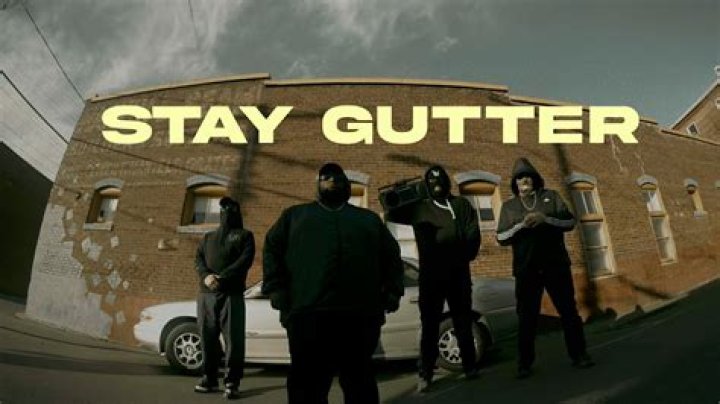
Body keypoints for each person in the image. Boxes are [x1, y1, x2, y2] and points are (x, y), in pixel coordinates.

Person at [262, 162, 404, 404]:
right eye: (325, 177)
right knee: (308, 387)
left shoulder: (368, 221)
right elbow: (272, 250)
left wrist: (393, 290)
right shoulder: (294, 217)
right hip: (308, 315)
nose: (332, 181)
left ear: (347, 186)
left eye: (338, 178)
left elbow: (391, 256)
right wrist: (276, 288)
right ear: (317, 186)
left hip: (358, 317)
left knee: (360, 383)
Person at [385, 165, 481, 392]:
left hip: (458, 274)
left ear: (447, 181)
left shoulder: (461, 205)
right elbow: (392, 213)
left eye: (440, 180)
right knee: (429, 326)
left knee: (462, 322)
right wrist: (398, 194)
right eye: (431, 181)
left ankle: (470, 367)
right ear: (426, 185)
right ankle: (425, 374)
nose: (437, 184)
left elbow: (473, 235)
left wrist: (462, 256)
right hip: (431, 276)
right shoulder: (420, 208)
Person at [496, 157, 594, 379]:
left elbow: (570, 222)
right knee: (527, 317)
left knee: (568, 312)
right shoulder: (509, 207)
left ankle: (579, 354)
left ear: (535, 179)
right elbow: (501, 237)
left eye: (527, 176)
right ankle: (524, 363)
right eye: (519, 177)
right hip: (527, 270)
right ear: (515, 182)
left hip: (556, 266)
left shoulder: (551, 197)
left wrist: (546, 219)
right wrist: (521, 225)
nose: (524, 180)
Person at [194, 196, 256, 399]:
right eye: (223, 209)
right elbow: (199, 259)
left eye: (230, 208)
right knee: (207, 339)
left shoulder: (245, 236)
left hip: (232, 295)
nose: (226, 212)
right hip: (206, 295)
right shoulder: (208, 237)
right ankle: (209, 378)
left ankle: (232, 382)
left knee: (234, 341)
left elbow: (245, 261)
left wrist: (222, 277)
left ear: (237, 212)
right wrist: (206, 276)